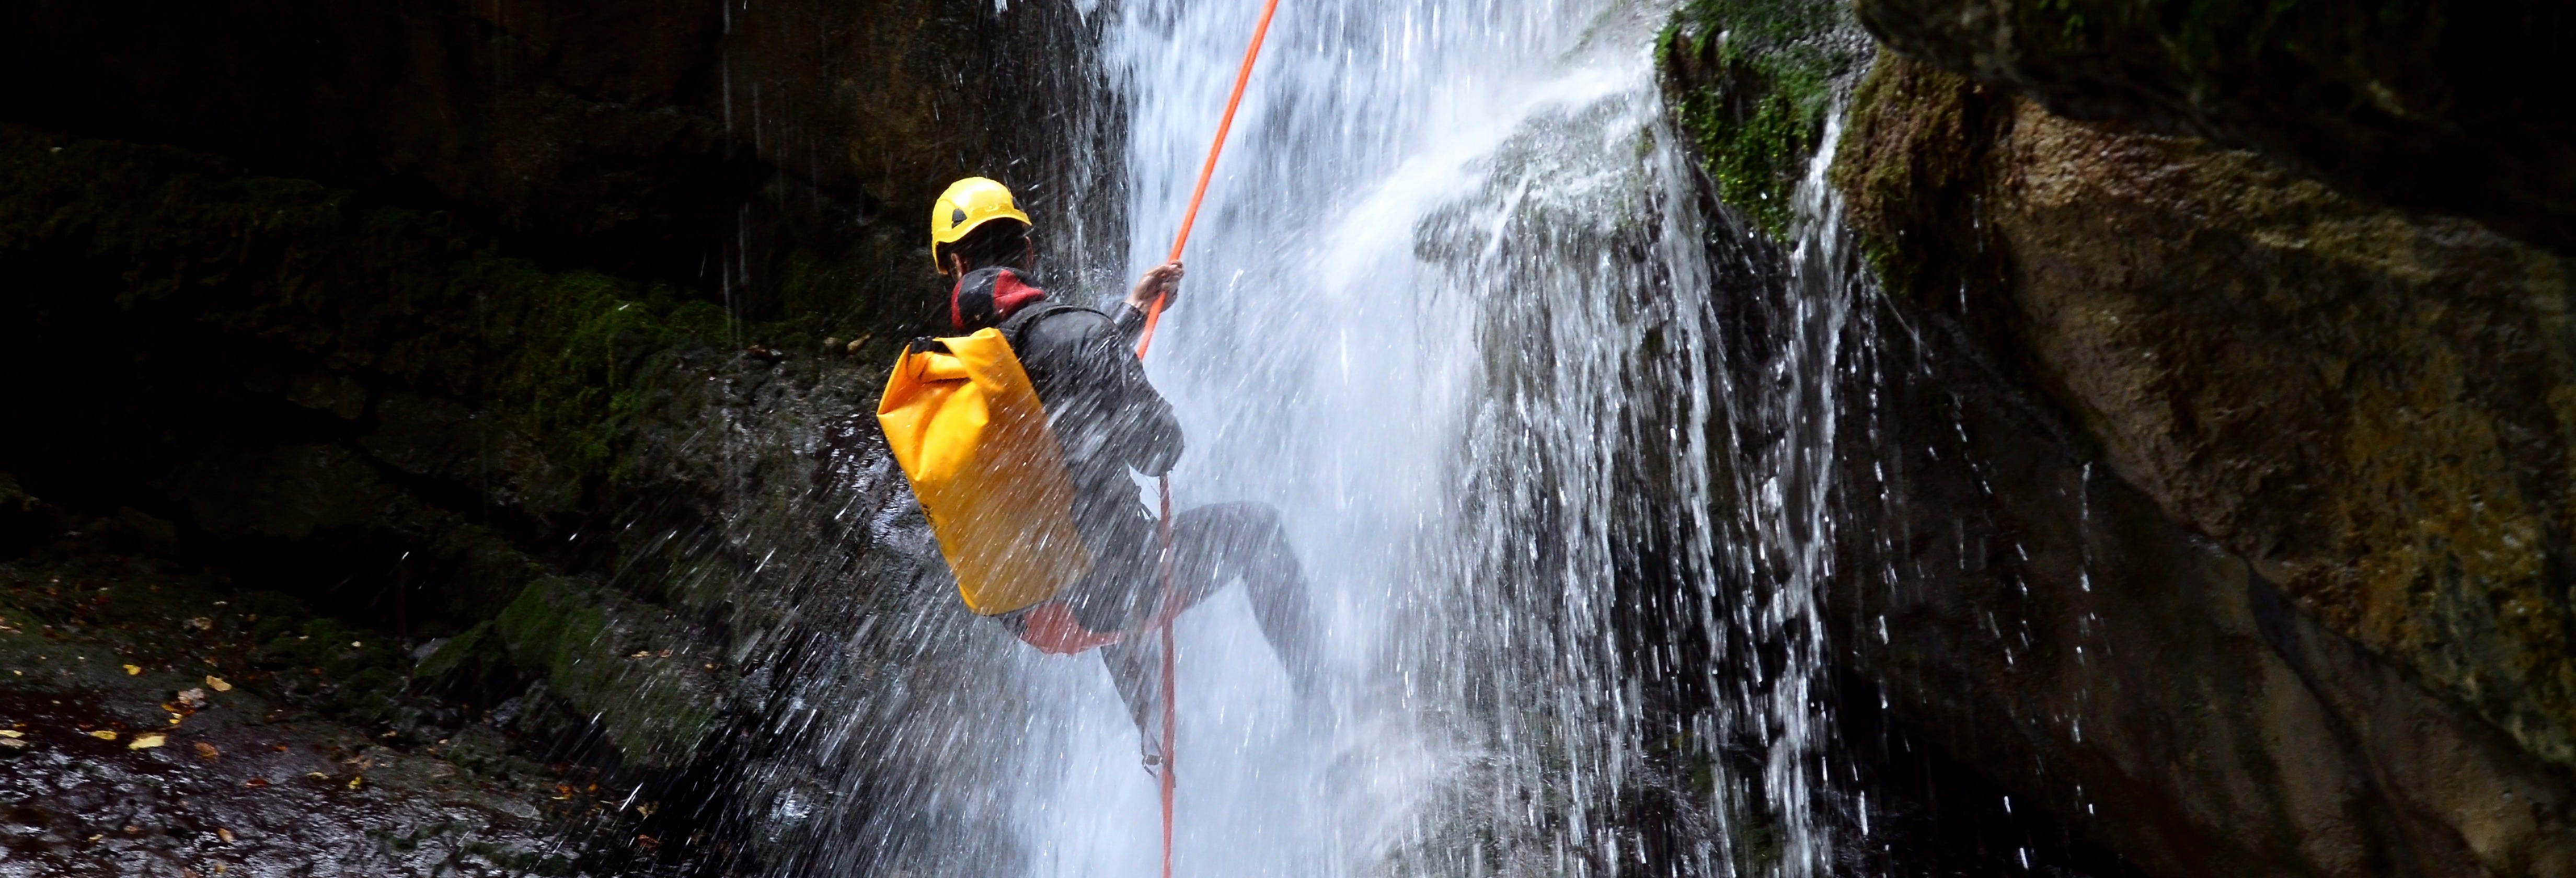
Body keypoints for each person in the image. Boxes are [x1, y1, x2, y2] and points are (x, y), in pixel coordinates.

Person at [927, 177, 1321, 772]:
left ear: (954, 266)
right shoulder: (1080, 337)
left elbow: (1048, 369)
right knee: (1252, 532)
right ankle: (1326, 700)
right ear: (1028, 253)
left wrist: (1130, 316)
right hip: (1105, 598)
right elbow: (1160, 450)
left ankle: (1156, 743)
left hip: (1027, 613)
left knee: (1091, 555)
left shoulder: (953, 372)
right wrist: (1117, 376)